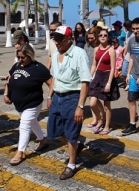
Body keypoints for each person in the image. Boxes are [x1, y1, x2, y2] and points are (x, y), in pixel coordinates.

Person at [47, 26, 91, 180]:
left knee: (72, 134)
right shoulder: (55, 53)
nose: (57, 42)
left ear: (69, 39)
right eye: (55, 38)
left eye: (59, 39)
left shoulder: (79, 54)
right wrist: (49, 96)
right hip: (57, 97)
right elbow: (54, 78)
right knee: (53, 132)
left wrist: (80, 106)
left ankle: (71, 165)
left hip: (72, 97)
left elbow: (85, 82)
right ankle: (77, 147)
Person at [3, 44, 52, 166]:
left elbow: (52, 83)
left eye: (23, 57)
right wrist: (6, 94)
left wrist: (50, 97)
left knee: (24, 125)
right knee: (32, 122)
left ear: (30, 56)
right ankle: (42, 140)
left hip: (33, 103)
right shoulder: (17, 66)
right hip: (19, 103)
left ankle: (20, 152)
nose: (20, 60)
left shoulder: (38, 68)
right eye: (18, 57)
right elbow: (8, 81)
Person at [88, 28, 120, 135]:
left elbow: (112, 68)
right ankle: (100, 119)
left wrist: (109, 83)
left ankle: (106, 126)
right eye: (100, 35)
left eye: (105, 35)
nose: (102, 37)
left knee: (107, 105)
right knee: (92, 103)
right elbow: (94, 65)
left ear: (108, 37)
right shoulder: (96, 49)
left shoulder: (111, 50)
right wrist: (89, 77)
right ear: (98, 37)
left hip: (107, 77)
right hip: (97, 76)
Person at [83, 27, 105, 129]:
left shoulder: (100, 47)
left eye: (92, 38)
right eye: (89, 38)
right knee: (92, 97)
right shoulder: (87, 46)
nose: (90, 40)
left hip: (97, 74)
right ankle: (96, 118)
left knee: (94, 97)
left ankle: (102, 116)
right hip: (87, 73)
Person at [121, 20, 134, 91]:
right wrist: (124, 52)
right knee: (123, 72)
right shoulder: (127, 33)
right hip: (127, 55)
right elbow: (126, 43)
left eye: (127, 27)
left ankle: (129, 85)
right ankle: (128, 83)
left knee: (131, 71)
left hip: (134, 55)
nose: (126, 29)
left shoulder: (134, 33)